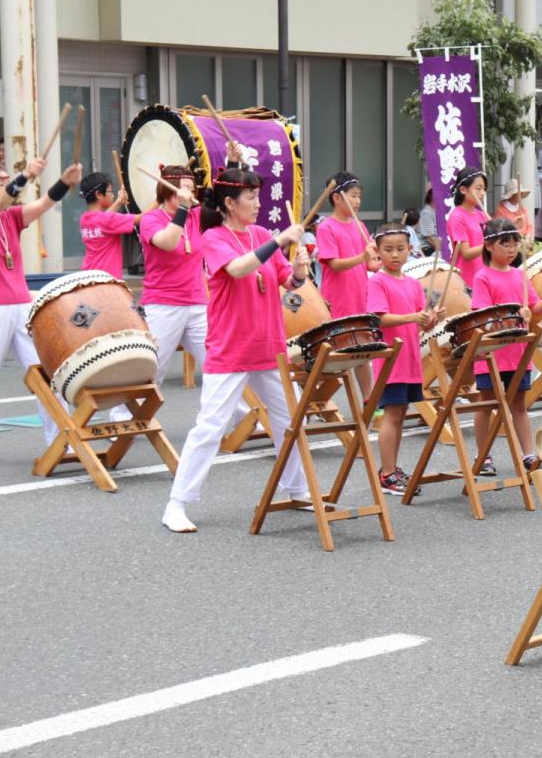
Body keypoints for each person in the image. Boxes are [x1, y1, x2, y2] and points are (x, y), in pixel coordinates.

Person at [162, 167, 311, 533]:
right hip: (230, 348)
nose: (258, 204)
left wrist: (299, 272)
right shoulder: (213, 237)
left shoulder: (259, 234)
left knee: (293, 420)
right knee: (210, 427)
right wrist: (279, 241)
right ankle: (176, 504)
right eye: (251, 198)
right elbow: (240, 268)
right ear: (230, 203)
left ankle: (297, 489)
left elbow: (287, 281)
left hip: (268, 345)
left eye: (258, 196)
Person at [0, 157, 83, 468]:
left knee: (46, 375)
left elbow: (44, 204)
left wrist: (64, 181)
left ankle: (60, 440)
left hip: (22, 305)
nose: (6, 187)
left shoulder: (11, 217)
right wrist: (23, 176)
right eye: (0, 182)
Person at [471, 218, 542, 474]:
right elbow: (482, 316)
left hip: (518, 353)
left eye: (514, 243)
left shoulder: (520, 275)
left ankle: (528, 454)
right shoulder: (483, 277)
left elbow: (535, 308)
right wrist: (517, 315)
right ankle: (483, 456)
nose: (511, 249)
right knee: (486, 404)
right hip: (492, 353)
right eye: (504, 244)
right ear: (488, 246)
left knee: (519, 405)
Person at [366, 226, 442, 494]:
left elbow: (421, 324)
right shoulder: (377, 281)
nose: (395, 254)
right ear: (378, 251)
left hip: (410, 356)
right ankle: (387, 473)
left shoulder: (413, 284)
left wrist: (433, 319)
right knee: (392, 414)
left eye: (400, 249)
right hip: (391, 359)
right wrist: (414, 316)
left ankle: (392, 468)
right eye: (388, 249)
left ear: (410, 249)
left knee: (401, 414)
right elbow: (379, 318)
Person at [138, 164, 207, 388]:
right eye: (185, 188)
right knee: (151, 371)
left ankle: (243, 410)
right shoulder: (151, 219)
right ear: (169, 189)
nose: (190, 194)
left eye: (192, 189)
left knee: (220, 366)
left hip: (197, 303)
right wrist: (183, 209)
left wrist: (233, 163)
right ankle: (127, 410)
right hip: (162, 305)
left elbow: (225, 205)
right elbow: (167, 243)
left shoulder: (197, 216)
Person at [316, 171, 380, 402]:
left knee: (363, 353)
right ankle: (315, 402)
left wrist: (386, 259)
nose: (358, 201)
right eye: (353, 195)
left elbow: (371, 265)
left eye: (359, 196)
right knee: (332, 356)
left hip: (360, 298)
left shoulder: (359, 226)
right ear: (337, 198)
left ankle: (369, 403)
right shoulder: (326, 228)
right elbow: (334, 264)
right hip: (337, 300)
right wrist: (363, 257)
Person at [78, 172, 140, 279]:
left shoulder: (85, 219)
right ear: (98, 194)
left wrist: (119, 201)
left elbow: (105, 220)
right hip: (107, 280)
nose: (113, 195)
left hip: (88, 277)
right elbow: (140, 218)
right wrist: (160, 200)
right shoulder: (108, 220)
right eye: (110, 191)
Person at [447, 166, 491, 292]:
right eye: (478, 188)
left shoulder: (482, 215)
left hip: (484, 275)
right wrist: (490, 243)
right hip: (466, 279)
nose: (483, 193)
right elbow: (466, 253)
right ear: (463, 190)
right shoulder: (457, 216)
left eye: (484, 189)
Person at [417, 187, 440, 257]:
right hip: (427, 248)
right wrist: (445, 251)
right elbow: (429, 238)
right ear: (430, 196)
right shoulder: (426, 213)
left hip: (437, 245)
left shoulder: (440, 211)